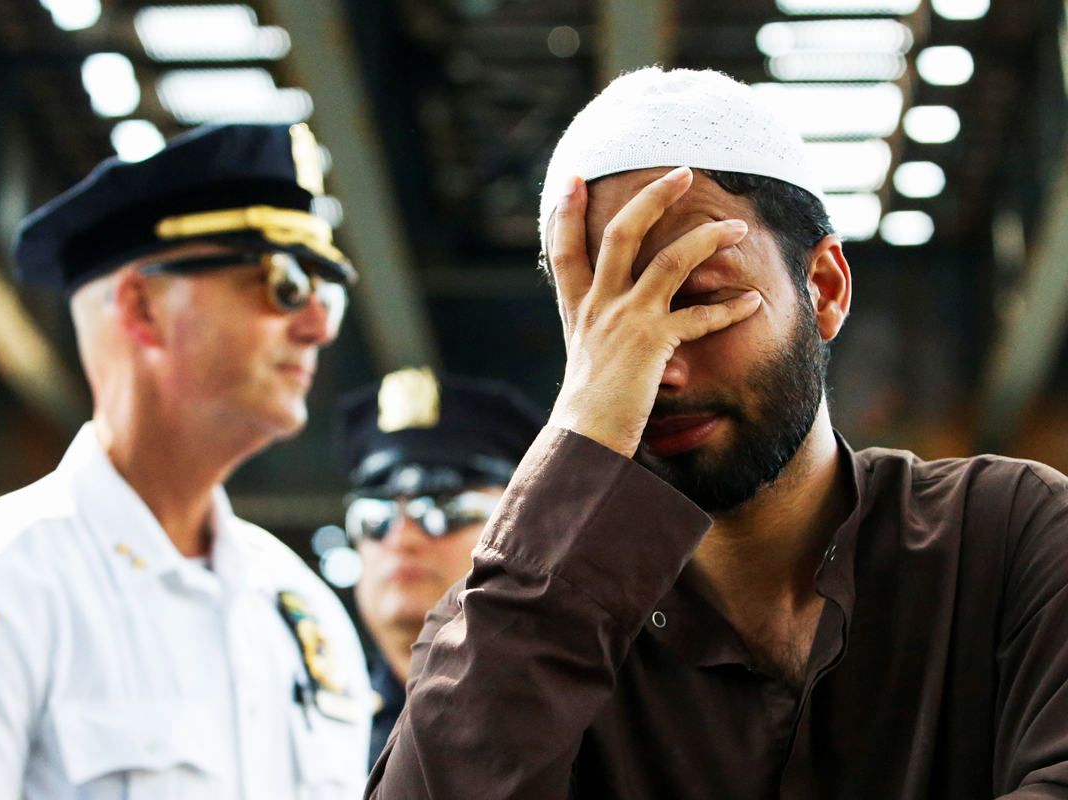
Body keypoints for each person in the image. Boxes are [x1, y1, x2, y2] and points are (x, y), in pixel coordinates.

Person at [367, 68, 1068, 798]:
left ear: (823, 289)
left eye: (702, 302)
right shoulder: (508, 622)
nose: (655, 369)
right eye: (610, 329)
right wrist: (577, 449)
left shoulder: (1008, 535)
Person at [0, 123, 374, 798]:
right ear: (142, 307)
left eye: (326, 294)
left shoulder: (301, 614)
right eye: (282, 284)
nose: (318, 327)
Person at [332, 367, 544, 765]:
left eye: (445, 510)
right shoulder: (312, 722)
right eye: (375, 516)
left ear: (523, 533)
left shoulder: (577, 714)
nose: (402, 538)